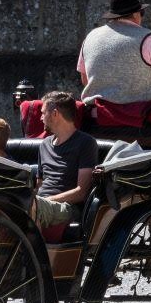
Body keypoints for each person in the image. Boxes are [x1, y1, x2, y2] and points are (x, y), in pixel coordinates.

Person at [77, 0, 151, 127]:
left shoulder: (90, 37)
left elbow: (85, 80)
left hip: (98, 116)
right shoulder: (147, 38)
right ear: (136, 14)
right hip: (142, 117)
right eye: (142, 13)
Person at [29, 91, 97, 230]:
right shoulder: (44, 144)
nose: (41, 118)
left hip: (66, 207)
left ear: (55, 114)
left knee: (30, 206)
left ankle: (34, 251)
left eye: (43, 113)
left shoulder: (86, 143)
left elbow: (81, 192)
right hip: (42, 203)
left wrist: (43, 201)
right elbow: (39, 185)